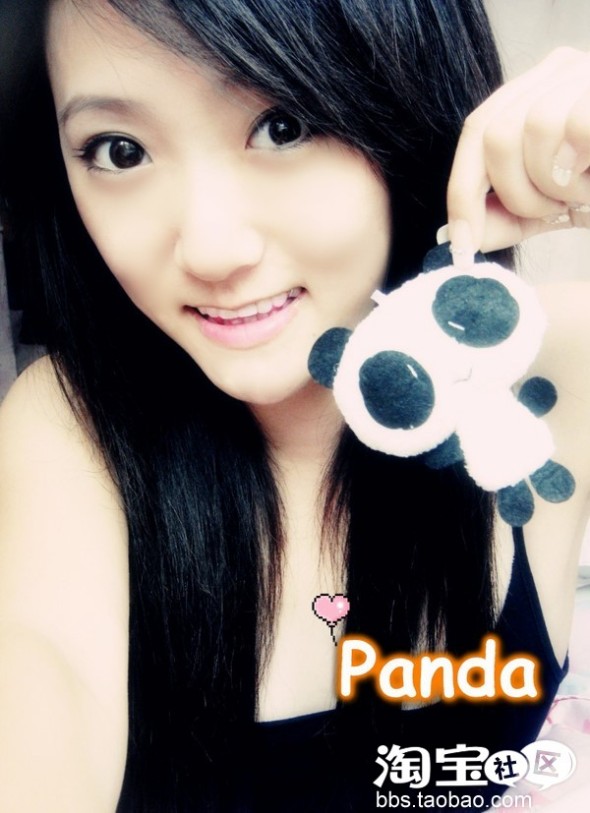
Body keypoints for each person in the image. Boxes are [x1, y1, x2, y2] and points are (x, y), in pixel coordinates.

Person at [0, 0, 589, 810]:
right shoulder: (69, 430)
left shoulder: (552, 361)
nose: (211, 248)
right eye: (119, 150)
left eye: (283, 125)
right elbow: (39, 693)